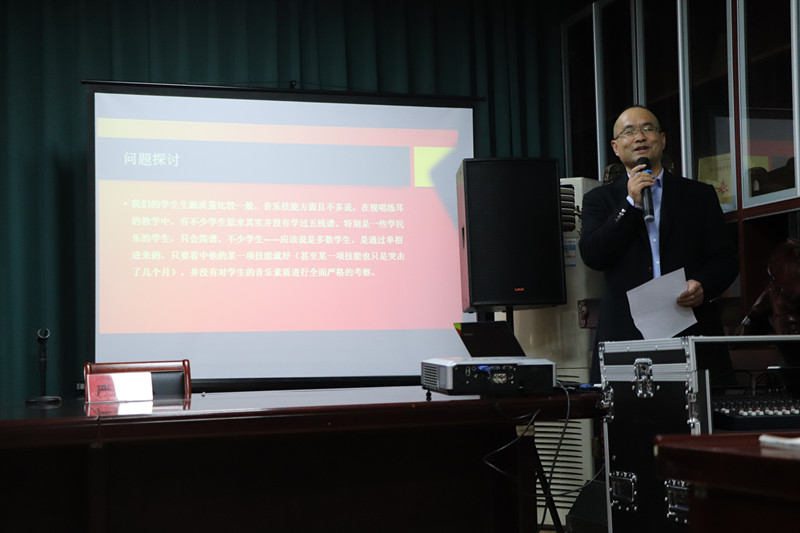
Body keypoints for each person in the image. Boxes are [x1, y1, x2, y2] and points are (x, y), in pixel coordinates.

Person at [579, 105, 739, 382]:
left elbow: (725, 258)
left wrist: (703, 285)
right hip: (625, 333)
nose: (639, 137)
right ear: (616, 147)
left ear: (662, 139)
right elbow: (594, 255)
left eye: (647, 129)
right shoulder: (599, 200)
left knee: (701, 408)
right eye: (629, 132)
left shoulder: (699, 195)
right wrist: (630, 205)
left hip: (690, 326)